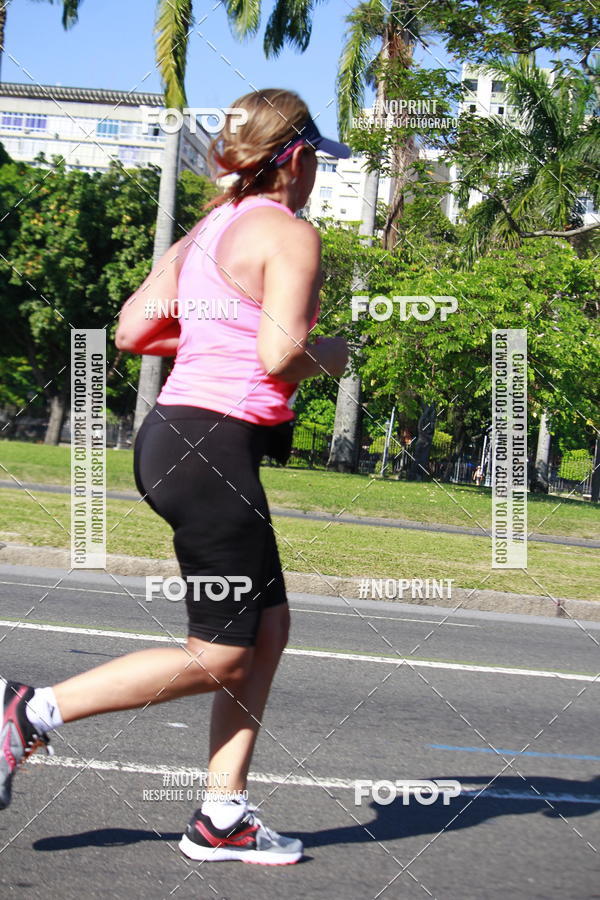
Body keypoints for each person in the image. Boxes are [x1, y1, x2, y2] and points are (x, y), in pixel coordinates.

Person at [0, 88, 350, 865]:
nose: (317, 178)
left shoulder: (209, 228)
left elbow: (131, 330)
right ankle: (29, 712)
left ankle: (223, 815)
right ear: (293, 159)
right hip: (212, 450)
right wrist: (332, 354)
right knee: (221, 654)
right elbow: (280, 356)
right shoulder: (289, 232)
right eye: (316, 162)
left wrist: (213, 325)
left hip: (176, 439)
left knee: (267, 629)